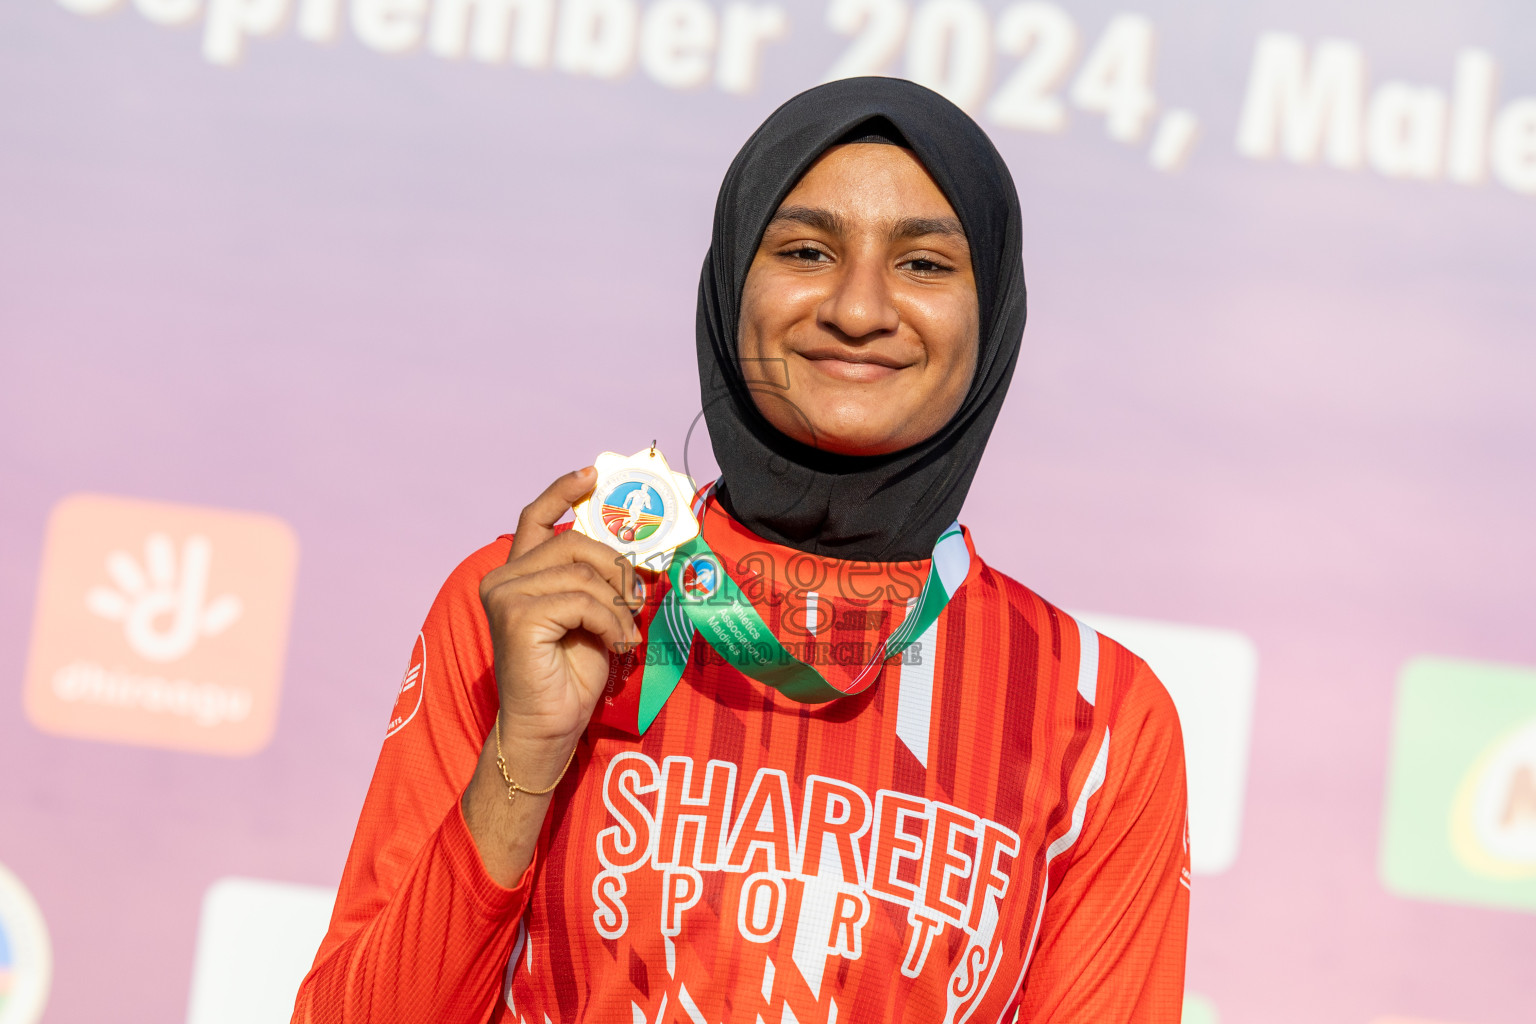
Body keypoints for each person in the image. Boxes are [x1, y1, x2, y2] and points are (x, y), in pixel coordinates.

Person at [292, 77, 1189, 1024]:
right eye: (807, 250)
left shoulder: (1099, 714)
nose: (857, 308)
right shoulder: (541, 603)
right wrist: (527, 751)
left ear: (994, 311)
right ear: (731, 286)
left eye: (924, 264)